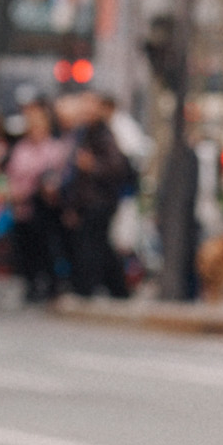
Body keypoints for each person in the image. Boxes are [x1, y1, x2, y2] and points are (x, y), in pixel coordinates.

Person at [61, 97, 135, 299]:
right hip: (88, 201)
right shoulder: (84, 135)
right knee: (97, 246)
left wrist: (92, 165)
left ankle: (90, 288)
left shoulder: (104, 134)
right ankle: (116, 289)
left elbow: (116, 168)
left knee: (93, 246)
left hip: (100, 201)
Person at [5, 96, 70, 303]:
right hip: (20, 205)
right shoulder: (21, 148)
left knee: (45, 247)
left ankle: (50, 284)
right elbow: (11, 173)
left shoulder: (54, 149)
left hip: (42, 208)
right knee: (24, 248)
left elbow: (56, 177)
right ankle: (30, 283)